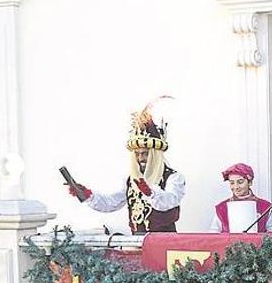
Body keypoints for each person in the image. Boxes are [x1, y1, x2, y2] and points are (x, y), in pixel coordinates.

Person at [67, 97, 185, 233]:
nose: (140, 158)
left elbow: (170, 201)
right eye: (137, 154)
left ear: (154, 155)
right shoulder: (131, 180)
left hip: (164, 244)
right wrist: (87, 195)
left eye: (145, 153)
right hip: (137, 243)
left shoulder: (173, 177)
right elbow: (111, 203)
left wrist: (150, 192)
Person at [209, 163, 272, 232]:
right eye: (232, 183)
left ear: (250, 182)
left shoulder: (264, 207)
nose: (236, 187)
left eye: (240, 182)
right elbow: (214, 233)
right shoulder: (222, 208)